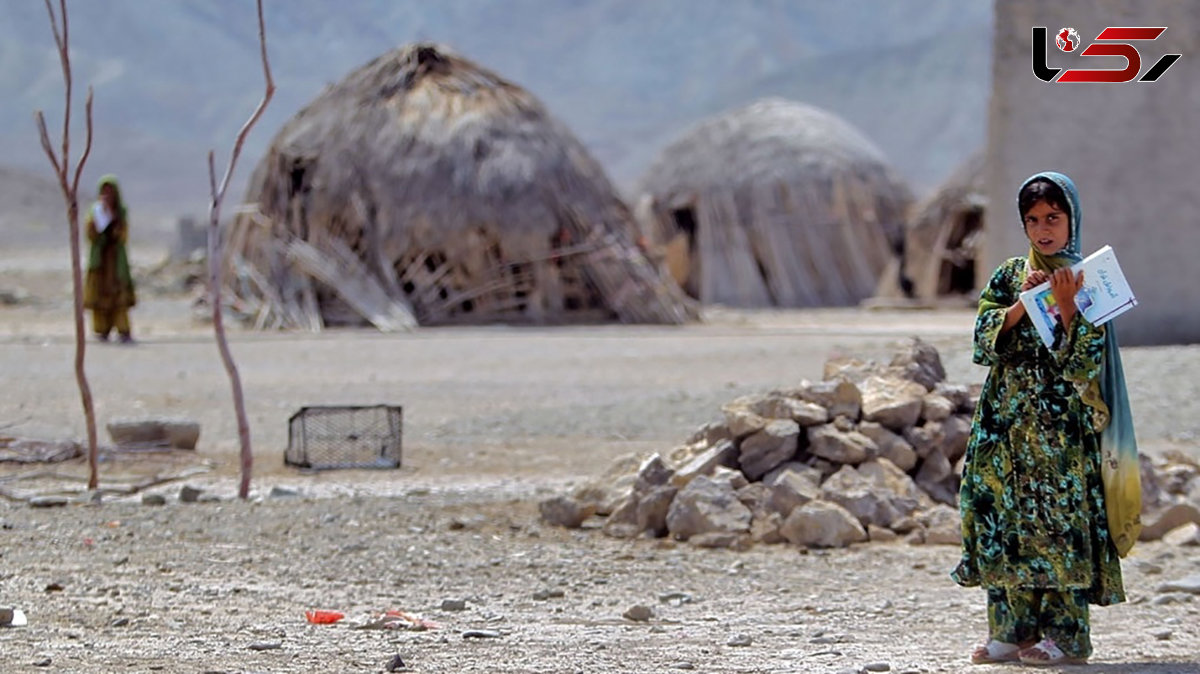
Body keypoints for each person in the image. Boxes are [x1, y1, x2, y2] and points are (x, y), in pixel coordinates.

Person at [952, 171, 1138, 666]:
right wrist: (1021, 306)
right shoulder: (1011, 273)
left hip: (1060, 432)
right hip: (1005, 424)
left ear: (1070, 219)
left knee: (1058, 524)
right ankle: (1009, 631)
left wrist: (1065, 306)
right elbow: (982, 340)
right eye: (1032, 220)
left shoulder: (1087, 278)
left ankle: (1064, 636)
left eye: (1052, 218)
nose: (1042, 229)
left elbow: (1083, 364)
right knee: (1003, 518)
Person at [84, 175, 137, 343]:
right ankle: (101, 329)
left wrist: (113, 217)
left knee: (118, 295)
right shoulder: (95, 211)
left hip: (115, 260)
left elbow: (122, 234)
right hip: (100, 260)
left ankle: (123, 329)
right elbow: (91, 233)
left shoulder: (121, 212)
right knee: (99, 295)